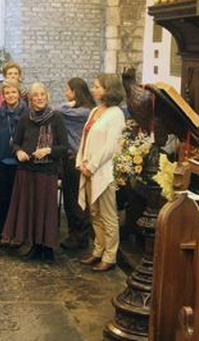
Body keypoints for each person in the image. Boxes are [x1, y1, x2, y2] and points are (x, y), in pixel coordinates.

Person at [2, 82, 68, 262]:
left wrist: (48, 150)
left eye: (42, 95)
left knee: (45, 210)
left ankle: (47, 249)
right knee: (30, 210)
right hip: (27, 171)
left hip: (47, 171)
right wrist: (19, 151)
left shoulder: (57, 118)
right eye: (35, 96)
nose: (39, 98)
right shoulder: (25, 119)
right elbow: (14, 142)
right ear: (30, 99)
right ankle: (35, 246)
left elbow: (64, 147)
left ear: (47, 97)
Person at [77, 74, 126, 272]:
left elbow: (110, 146)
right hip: (87, 168)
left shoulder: (116, 114)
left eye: (98, 86)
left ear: (109, 90)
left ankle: (110, 256)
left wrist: (92, 166)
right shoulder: (95, 110)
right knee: (94, 213)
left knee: (108, 215)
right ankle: (98, 250)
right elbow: (85, 137)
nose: (94, 89)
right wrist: (80, 161)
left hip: (103, 171)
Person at [56, 77, 95, 250]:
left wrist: (69, 104)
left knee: (75, 200)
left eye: (68, 90)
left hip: (76, 160)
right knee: (72, 198)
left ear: (76, 92)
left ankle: (79, 236)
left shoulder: (81, 112)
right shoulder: (86, 109)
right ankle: (76, 234)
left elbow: (55, 110)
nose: (66, 93)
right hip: (71, 158)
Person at [0, 79, 29, 236]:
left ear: (19, 94)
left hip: (20, 161)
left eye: (14, 92)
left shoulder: (27, 113)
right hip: (2, 159)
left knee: (19, 199)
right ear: (3, 95)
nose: (10, 95)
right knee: (4, 197)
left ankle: (18, 231)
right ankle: (4, 231)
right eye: (7, 93)